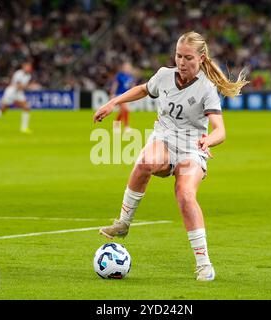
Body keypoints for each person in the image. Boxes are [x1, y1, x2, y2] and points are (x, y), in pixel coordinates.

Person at [93, 31, 248, 281]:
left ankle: (203, 263)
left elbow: (220, 130)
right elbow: (143, 89)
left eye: (188, 57)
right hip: (164, 140)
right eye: (178, 56)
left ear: (201, 58)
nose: (182, 62)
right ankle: (123, 223)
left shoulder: (207, 89)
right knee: (145, 162)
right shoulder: (164, 76)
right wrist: (113, 103)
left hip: (192, 148)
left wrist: (208, 139)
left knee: (185, 194)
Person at [0, 62, 34, 134]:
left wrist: (26, 87)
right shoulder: (18, 73)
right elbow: (19, 85)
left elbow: (22, 87)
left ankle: (24, 128)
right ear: (23, 66)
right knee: (3, 109)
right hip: (11, 92)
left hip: (18, 93)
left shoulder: (28, 76)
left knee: (26, 108)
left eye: (29, 67)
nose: (28, 68)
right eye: (27, 66)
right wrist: (28, 87)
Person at [110, 62, 136, 133]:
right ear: (123, 68)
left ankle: (116, 125)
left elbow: (132, 86)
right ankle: (126, 127)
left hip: (127, 95)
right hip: (119, 95)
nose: (127, 69)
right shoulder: (119, 76)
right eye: (126, 67)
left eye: (129, 67)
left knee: (122, 111)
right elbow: (115, 84)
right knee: (125, 109)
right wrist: (112, 93)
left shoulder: (131, 76)